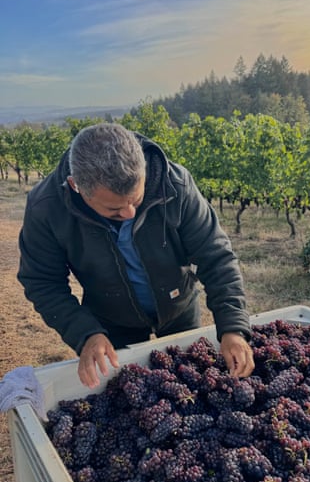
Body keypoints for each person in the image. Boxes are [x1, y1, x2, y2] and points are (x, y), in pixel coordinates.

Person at [17, 123, 255, 388]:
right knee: (123, 392)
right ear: (76, 187)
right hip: (110, 319)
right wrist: (85, 334)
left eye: (137, 200)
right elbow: (42, 282)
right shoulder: (46, 208)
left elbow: (216, 257)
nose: (129, 213)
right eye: (115, 210)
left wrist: (232, 326)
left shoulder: (175, 184)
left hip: (179, 307)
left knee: (191, 386)